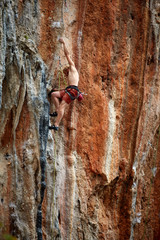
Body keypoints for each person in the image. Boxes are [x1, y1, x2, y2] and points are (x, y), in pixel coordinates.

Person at [49, 38, 80, 131]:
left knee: (63, 105)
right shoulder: (70, 74)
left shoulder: (72, 68)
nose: (66, 74)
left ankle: (56, 124)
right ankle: (57, 111)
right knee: (53, 94)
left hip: (73, 90)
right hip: (69, 90)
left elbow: (67, 54)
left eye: (66, 72)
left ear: (67, 69)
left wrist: (64, 43)